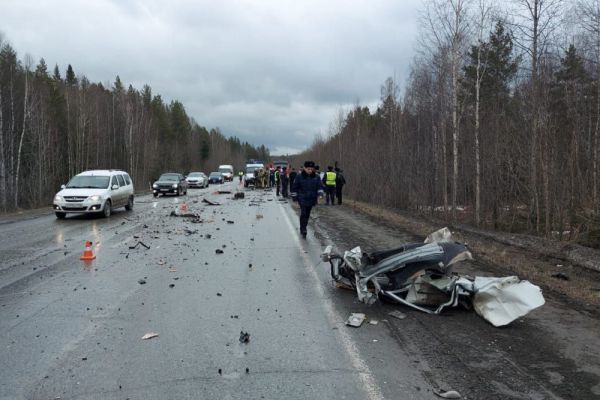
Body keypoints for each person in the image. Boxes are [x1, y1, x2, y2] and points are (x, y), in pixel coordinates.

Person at [291, 161, 324, 238]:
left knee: (307, 214)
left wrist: (320, 194)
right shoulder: (299, 176)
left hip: (312, 198)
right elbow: (295, 187)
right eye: (308, 169)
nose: (310, 170)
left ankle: (304, 226)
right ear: (304, 168)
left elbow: (320, 186)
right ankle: (303, 229)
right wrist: (295, 198)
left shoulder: (316, 177)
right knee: (303, 213)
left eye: (311, 169)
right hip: (302, 198)